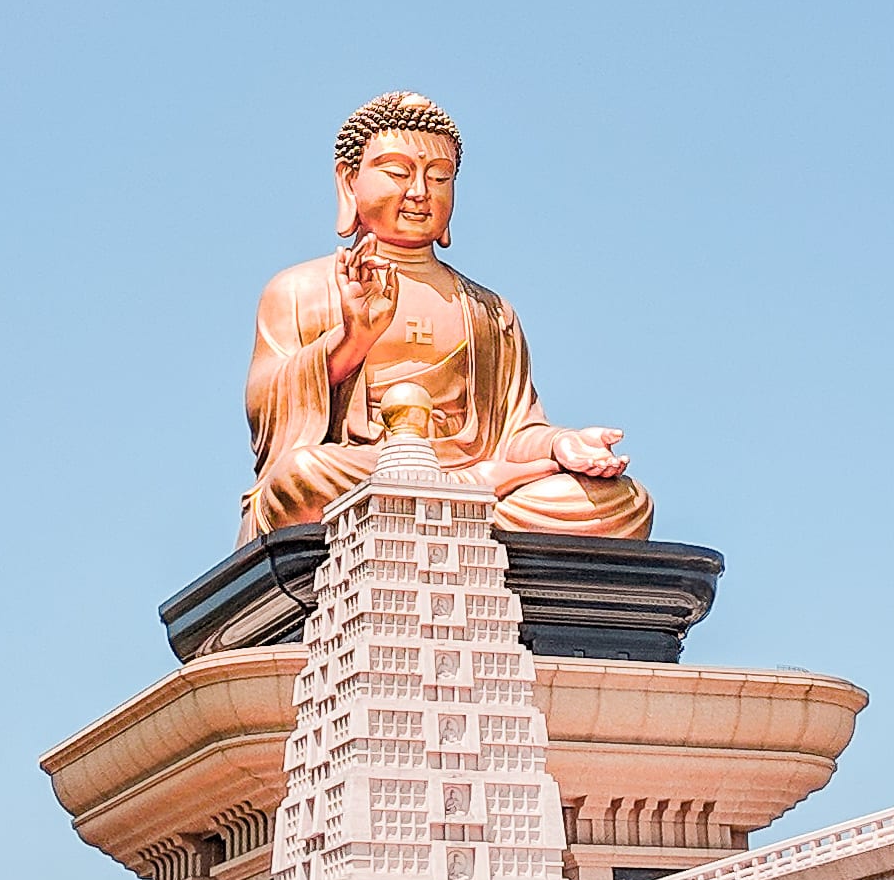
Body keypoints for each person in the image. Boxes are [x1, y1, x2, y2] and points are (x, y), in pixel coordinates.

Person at [239, 92, 653, 544]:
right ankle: (469, 497)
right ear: (348, 181)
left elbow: (515, 429)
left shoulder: (489, 311)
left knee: (625, 501)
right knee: (300, 476)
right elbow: (268, 411)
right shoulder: (301, 290)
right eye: (397, 173)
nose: (419, 192)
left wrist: (560, 445)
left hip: (471, 468)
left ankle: (461, 497)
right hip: (363, 470)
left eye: (439, 177)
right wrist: (353, 340)